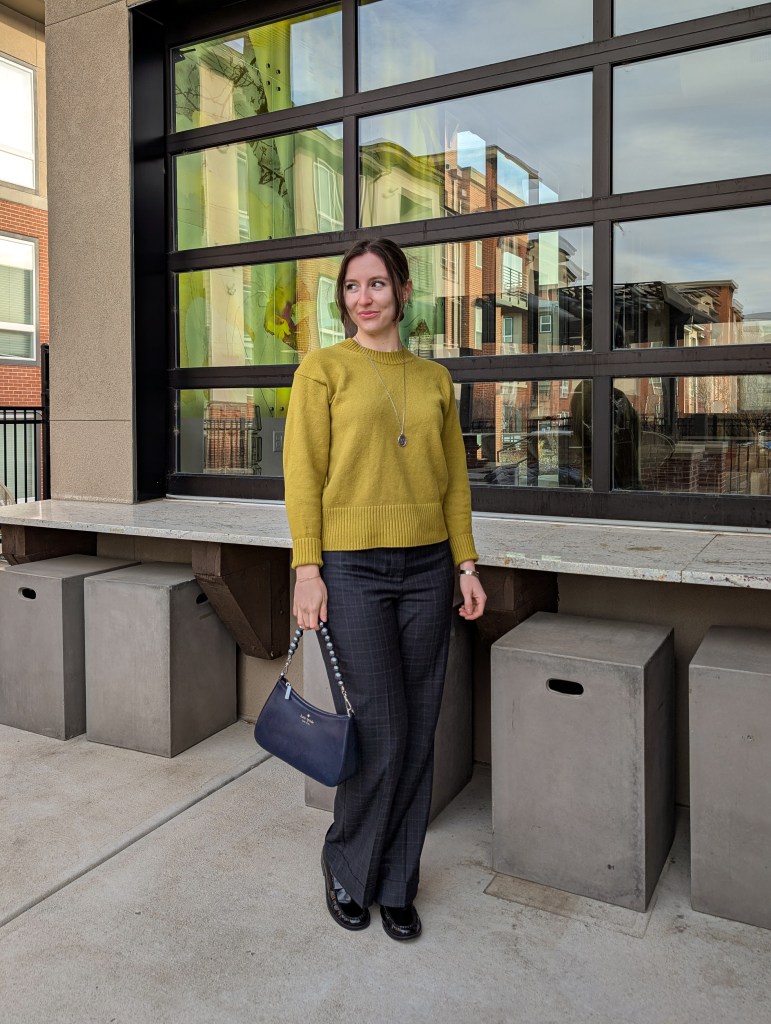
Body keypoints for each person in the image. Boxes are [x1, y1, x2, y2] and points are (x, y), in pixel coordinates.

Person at [283, 237, 486, 941]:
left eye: (375, 284)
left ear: (402, 291)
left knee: (419, 727)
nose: (362, 298)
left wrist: (465, 564)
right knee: (381, 728)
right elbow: (303, 474)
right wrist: (306, 570)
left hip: (428, 569)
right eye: (350, 287)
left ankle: (397, 882)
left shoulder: (433, 379)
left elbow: (452, 482)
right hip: (351, 571)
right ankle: (347, 864)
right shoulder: (323, 369)